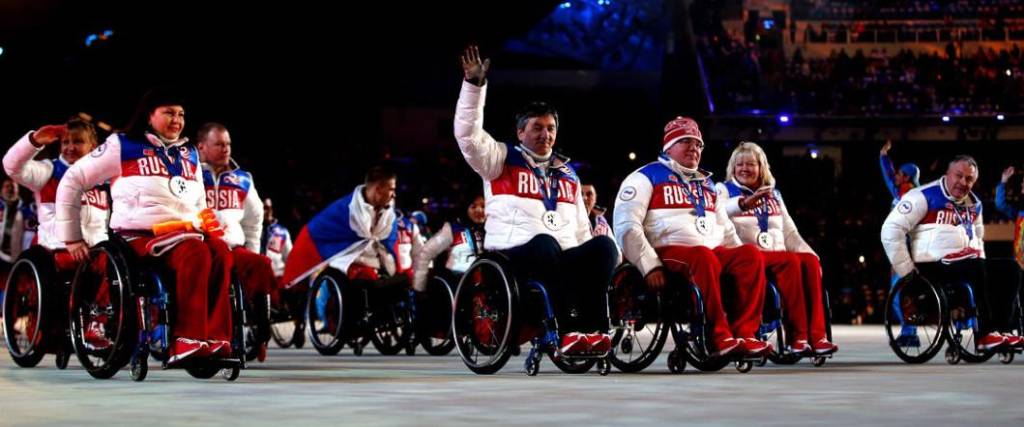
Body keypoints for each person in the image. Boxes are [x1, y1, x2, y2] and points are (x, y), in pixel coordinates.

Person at [453, 45, 619, 354]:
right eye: (537, 128)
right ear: (520, 132)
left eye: (551, 128)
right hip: (512, 254)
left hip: (558, 254)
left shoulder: (568, 173)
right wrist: (474, 87)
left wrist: (588, 250)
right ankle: (566, 332)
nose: (545, 134)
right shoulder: (499, 159)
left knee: (604, 246)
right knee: (544, 243)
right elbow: (468, 136)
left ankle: (594, 329)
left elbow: (581, 226)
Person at [56, 89, 232, 364]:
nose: (177, 120)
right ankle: (186, 339)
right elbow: (72, 180)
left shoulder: (190, 154)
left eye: (181, 114)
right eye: (169, 113)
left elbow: (198, 200)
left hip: (186, 233)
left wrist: (204, 219)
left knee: (221, 251)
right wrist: (72, 238)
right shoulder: (122, 145)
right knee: (195, 253)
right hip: (137, 238)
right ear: (150, 115)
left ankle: (217, 338)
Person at [613, 117, 771, 357]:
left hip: (708, 254)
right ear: (669, 146)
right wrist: (649, 265)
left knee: (750, 255)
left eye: (698, 144)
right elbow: (626, 226)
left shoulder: (706, 183)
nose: (694, 148)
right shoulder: (645, 176)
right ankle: (719, 336)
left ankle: (746, 334)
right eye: (685, 141)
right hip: (667, 251)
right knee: (702, 255)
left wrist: (738, 257)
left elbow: (726, 229)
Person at [881, 155, 1022, 351]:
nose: (963, 182)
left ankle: (1003, 331)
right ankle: (985, 335)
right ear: (947, 173)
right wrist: (906, 271)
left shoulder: (975, 204)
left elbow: (978, 240)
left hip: (964, 262)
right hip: (930, 264)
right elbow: (890, 229)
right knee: (977, 268)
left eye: (969, 179)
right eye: (959, 175)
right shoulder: (921, 196)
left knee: (1010, 268)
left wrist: (985, 269)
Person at [717, 142, 838, 354]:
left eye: (751, 164)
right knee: (789, 260)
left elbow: (790, 232)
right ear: (732, 168)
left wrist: (812, 255)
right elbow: (721, 213)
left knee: (808, 261)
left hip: (777, 256)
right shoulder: (723, 189)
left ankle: (817, 336)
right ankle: (797, 337)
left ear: (761, 167)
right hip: (747, 256)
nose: (745, 168)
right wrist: (744, 203)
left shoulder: (774, 195)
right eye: (739, 164)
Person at [197, 122, 276, 361]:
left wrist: (250, 250)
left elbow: (255, 219)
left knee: (261, 263)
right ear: (201, 147)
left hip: (233, 247)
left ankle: (261, 333)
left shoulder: (243, 179)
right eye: (219, 144)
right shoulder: (189, 174)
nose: (226, 149)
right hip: (200, 246)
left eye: (228, 144)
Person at [412, 195, 486, 292]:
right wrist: (419, 288)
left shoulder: (493, 230)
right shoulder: (452, 229)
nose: (479, 210)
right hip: (459, 290)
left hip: (487, 287)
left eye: (483, 206)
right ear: (466, 208)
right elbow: (425, 253)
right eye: (473, 207)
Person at [879, 139, 920, 206]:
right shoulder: (912, 188)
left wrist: (883, 155)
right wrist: (883, 154)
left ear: (907, 178)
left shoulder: (906, 190)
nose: (895, 176)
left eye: (899, 174)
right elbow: (890, 175)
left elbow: (890, 178)